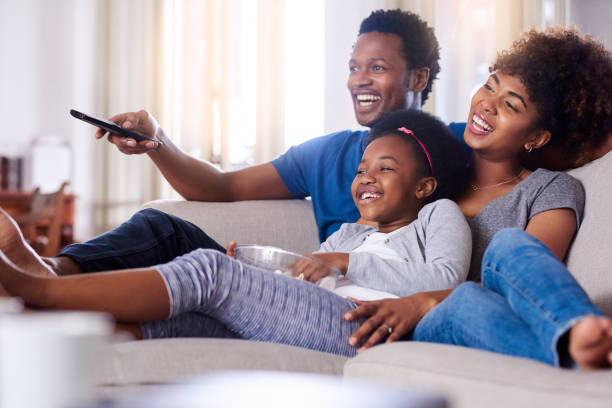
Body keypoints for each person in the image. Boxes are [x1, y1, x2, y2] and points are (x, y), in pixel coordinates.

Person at [0, 109, 471, 358]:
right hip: (320, 311)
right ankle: (31, 328)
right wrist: (256, 267)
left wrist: (347, 263)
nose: (366, 177)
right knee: (179, 320)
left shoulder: (438, 214)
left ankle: (34, 288)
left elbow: (448, 282)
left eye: (384, 169)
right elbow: (303, 280)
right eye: (362, 169)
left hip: (365, 323)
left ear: (424, 186)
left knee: (207, 272)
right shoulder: (349, 231)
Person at [37, 9, 463, 278]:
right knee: (160, 227)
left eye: (378, 67)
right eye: (354, 66)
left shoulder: (458, 147)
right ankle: (49, 270)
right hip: (316, 284)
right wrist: (158, 140)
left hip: (357, 301)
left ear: (419, 78)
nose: (359, 79)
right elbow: (222, 188)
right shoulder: (326, 153)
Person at [343, 27, 612, 370]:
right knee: (466, 298)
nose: (487, 105)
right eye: (489, 86)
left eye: (511, 105)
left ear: (536, 136)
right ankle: (581, 353)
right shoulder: (428, 176)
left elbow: (525, 282)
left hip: (476, 312)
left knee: (504, 250)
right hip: (421, 324)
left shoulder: (549, 188)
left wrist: (420, 302)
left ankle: (579, 335)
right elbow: (365, 238)